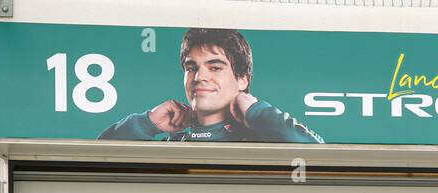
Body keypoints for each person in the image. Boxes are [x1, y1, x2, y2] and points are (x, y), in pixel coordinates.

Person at [100, 28, 323, 144]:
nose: (199, 77)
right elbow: (100, 158)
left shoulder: (262, 139)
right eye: (191, 67)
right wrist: (146, 124)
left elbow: (317, 154)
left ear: (242, 79)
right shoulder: (173, 143)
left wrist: (259, 113)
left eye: (214, 67)